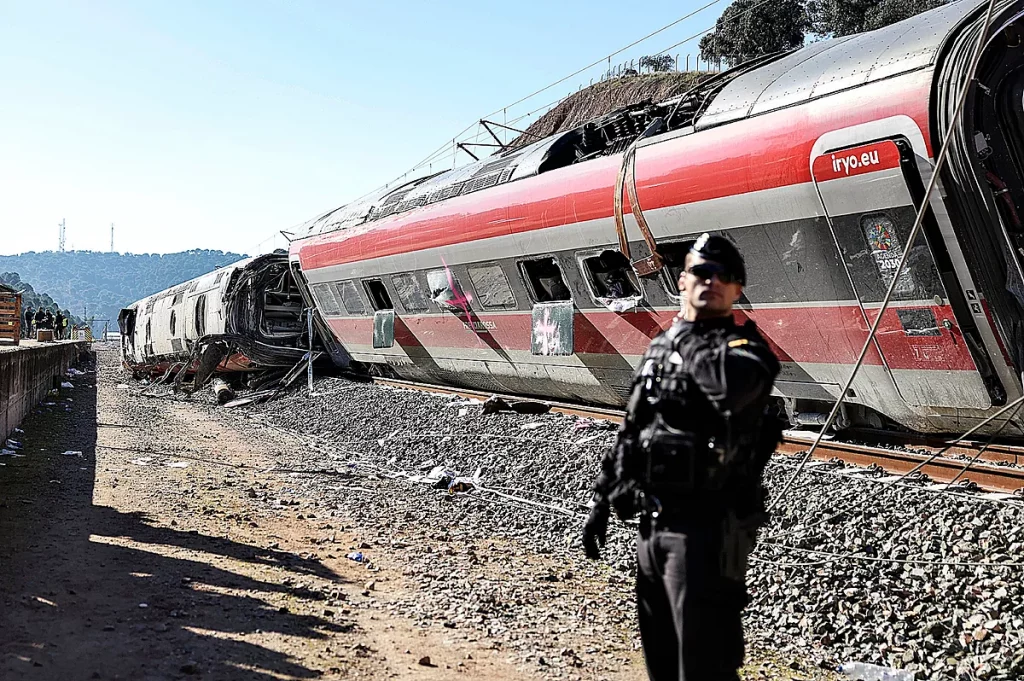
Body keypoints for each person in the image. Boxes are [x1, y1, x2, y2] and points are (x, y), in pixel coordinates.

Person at [582, 233, 782, 681]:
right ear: (680, 280)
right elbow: (633, 429)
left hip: (708, 529)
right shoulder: (659, 349)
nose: (710, 281)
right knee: (663, 660)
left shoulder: (746, 351)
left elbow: (726, 392)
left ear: (737, 290)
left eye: (723, 276)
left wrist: (688, 332)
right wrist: (601, 500)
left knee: (703, 663)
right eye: (700, 272)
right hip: (653, 528)